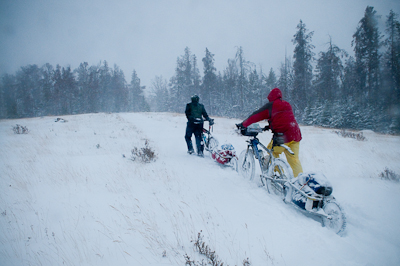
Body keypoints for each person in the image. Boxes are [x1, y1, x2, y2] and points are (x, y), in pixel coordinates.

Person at [236, 88, 303, 177]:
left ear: (271, 97)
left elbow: (255, 116)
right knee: (294, 159)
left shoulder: (272, 105)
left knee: (273, 153)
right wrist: (270, 126)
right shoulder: (287, 104)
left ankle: (278, 177)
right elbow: (283, 118)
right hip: (296, 135)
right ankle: (301, 181)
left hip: (283, 137)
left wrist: (243, 124)